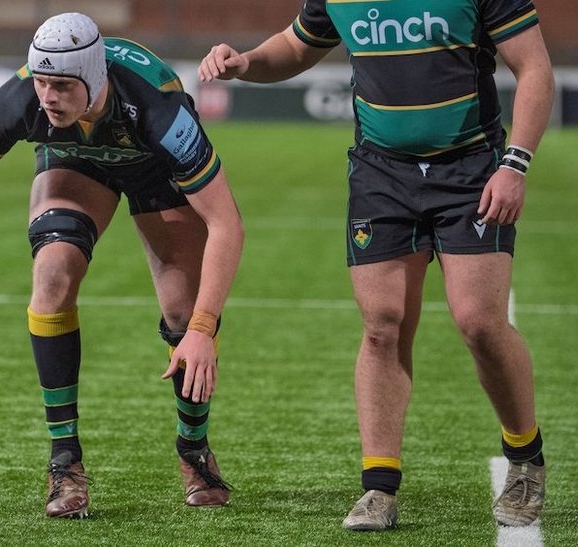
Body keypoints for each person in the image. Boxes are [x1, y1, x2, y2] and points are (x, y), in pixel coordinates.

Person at [199, 0, 554, 531]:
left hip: (470, 170)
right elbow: (298, 45)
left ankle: (525, 457)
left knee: (479, 322)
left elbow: (534, 68)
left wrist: (515, 164)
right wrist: (245, 62)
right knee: (382, 326)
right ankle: (378, 488)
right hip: (381, 176)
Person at [0, 12, 244, 518]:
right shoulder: (24, 100)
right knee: (53, 275)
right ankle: (65, 461)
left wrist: (203, 326)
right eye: (41, 82)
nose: (47, 96)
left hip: (153, 166)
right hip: (75, 159)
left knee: (181, 310)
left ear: (95, 78)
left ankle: (193, 449)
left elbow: (227, 224)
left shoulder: (159, 111)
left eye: (62, 85)